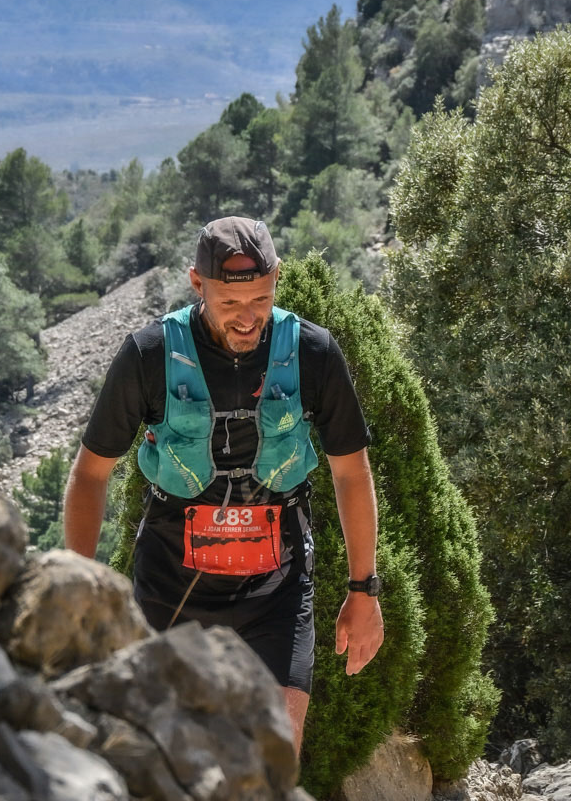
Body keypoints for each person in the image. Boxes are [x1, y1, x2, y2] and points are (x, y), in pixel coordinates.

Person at [63, 215, 385, 754]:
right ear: (198, 283)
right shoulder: (149, 354)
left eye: (260, 299)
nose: (247, 318)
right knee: (162, 757)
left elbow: (351, 472)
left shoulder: (312, 352)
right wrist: (77, 587)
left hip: (276, 588)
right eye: (230, 302)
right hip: (172, 585)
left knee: (276, 755)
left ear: (277, 277)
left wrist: (364, 590)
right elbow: (91, 474)